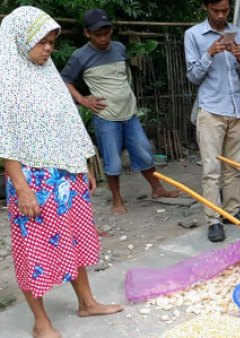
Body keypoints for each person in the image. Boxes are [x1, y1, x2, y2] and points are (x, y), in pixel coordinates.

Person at [0, 6, 124, 338]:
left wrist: (81, 166)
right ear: (20, 39)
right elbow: (5, 138)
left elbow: (66, 122)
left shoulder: (48, 73)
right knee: (33, 249)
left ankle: (86, 302)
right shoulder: (6, 81)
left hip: (65, 176)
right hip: (31, 180)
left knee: (75, 238)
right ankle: (41, 322)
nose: (48, 50)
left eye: (52, 43)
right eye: (42, 43)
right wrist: (21, 187)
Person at [60, 8, 181, 215]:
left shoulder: (119, 48)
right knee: (112, 160)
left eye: (107, 33)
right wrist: (82, 99)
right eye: (98, 34)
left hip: (130, 114)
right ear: (87, 33)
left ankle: (157, 189)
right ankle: (117, 199)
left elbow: (122, 77)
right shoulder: (80, 56)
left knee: (144, 153)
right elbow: (64, 79)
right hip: (106, 117)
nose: (103, 38)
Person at [185, 0, 240, 242]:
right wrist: (209, 53)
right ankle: (213, 219)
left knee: (234, 167)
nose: (221, 15)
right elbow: (193, 76)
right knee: (211, 169)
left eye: (225, 10)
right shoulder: (193, 35)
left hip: (237, 110)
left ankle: (232, 212)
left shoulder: (239, 33)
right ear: (206, 7)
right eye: (216, 10)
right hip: (211, 110)